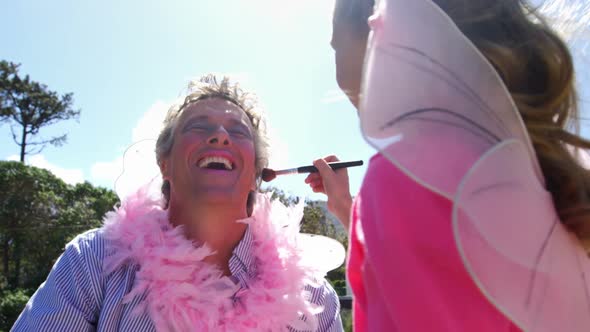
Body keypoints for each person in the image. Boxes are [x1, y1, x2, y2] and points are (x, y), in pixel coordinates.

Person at [306, 0, 590, 331]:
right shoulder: (548, 168)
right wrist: (346, 206)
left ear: (376, 28)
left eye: (336, 45)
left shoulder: (402, 177)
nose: (336, 66)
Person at [13, 74, 343, 331]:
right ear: (164, 163)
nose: (220, 136)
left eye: (238, 132)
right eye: (199, 127)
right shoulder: (95, 261)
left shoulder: (311, 297)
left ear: (258, 172)